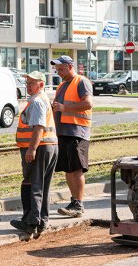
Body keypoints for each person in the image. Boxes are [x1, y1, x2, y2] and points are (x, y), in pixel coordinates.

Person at [10, 71, 58, 235]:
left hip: (40, 147)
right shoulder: (42, 99)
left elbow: (39, 127)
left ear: (41, 85)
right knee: (43, 185)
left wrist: (32, 149)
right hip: (49, 145)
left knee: (33, 184)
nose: (28, 86)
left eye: (32, 83)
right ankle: (41, 221)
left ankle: (31, 222)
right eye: (27, 82)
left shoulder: (37, 101)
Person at [50, 55, 93, 217]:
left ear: (69, 66)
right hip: (63, 132)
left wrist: (64, 107)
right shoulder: (62, 85)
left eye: (61, 69)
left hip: (77, 132)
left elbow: (88, 103)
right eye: (57, 69)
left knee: (76, 170)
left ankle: (79, 204)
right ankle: (74, 201)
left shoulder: (81, 82)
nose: (58, 72)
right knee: (68, 170)